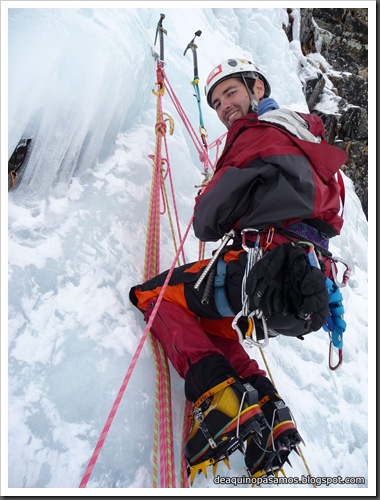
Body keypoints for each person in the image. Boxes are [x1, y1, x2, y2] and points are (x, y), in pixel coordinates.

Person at [129, 58, 347, 481]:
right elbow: (330, 219)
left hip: (256, 271)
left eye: (230, 93)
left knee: (153, 297)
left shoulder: (257, 135)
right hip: (298, 284)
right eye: (215, 102)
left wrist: (219, 190)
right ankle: (269, 412)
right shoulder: (307, 137)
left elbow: (207, 220)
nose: (223, 107)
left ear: (257, 89)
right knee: (212, 326)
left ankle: (220, 400)